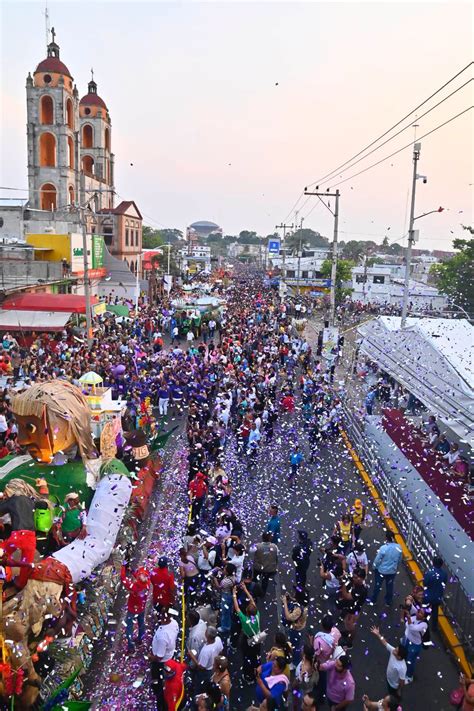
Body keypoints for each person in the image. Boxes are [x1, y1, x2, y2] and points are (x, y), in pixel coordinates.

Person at [0, 479, 38, 589]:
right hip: (31, 537)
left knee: (2, 554)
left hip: (17, 536)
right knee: (26, 563)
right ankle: (21, 584)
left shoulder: (13, 500)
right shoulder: (30, 500)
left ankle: (5, 578)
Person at [151, 607, 180, 707]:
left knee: (159, 684)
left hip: (161, 663)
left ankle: (161, 702)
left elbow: (159, 656)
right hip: (170, 657)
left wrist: (150, 657)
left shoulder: (163, 636)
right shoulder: (174, 623)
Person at [233, 582, 262, 682]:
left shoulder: (245, 620)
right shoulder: (257, 614)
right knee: (255, 656)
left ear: (247, 612)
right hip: (257, 638)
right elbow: (252, 601)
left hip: (248, 639)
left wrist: (234, 594)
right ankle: (256, 671)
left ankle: (248, 676)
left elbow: (237, 608)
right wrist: (246, 590)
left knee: (247, 657)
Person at [370, 626, 407, 698]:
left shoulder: (402, 668)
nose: (393, 650)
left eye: (396, 651)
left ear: (399, 657)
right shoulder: (393, 651)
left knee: (392, 696)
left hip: (393, 685)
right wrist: (378, 634)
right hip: (388, 679)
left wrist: (399, 690)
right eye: (395, 648)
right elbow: (385, 643)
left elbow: (402, 681)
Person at [121, 564, 150, 652]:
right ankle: (140, 639)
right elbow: (139, 576)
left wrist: (123, 567)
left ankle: (131, 647)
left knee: (129, 627)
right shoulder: (147, 583)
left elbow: (123, 578)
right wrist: (132, 571)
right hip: (141, 608)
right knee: (141, 624)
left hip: (132, 610)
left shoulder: (134, 587)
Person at [369, 530, 402, 606]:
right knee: (389, 586)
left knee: (377, 585)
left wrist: (374, 567)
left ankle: (374, 600)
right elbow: (399, 559)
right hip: (392, 571)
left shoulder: (383, 548)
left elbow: (377, 560)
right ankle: (388, 601)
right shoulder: (399, 547)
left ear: (386, 538)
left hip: (381, 571)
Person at [400, 604, 428, 683]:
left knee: (410, 660)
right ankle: (402, 669)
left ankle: (409, 676)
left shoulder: (424, 625)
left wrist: (408, 618)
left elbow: (412, 628)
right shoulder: (414, 616)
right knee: (403, 654)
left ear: (424, 617)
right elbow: (407, 624)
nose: (418, 613)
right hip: (406, 639)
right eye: (419, 611)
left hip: (414, 644)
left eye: (421, 613)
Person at [282, 587, 308, 667]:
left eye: (295, 594)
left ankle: (295, 663)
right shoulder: (303, 603)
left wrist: (285, 603)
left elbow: (288, 617)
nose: (294, 593)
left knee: (295, 646)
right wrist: (290, 598)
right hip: (298, 626)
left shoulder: (298, 610)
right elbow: (297, 601)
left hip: (296, 630)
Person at [196, 626, 224, 692]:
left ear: (207, 636)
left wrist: (192, 656)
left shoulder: (205, 651)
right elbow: (221, 651)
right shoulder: (218, 639)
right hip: (213, 667)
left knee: (202, 683)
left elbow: (202, 667)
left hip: (206, 671)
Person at [423, 556, 447, 630]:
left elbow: (425, 583)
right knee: (435, 611)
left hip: (428, 596)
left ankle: (423, 623)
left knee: (424, 609)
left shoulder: (430, 573)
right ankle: (434, 627)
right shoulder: (444, 574)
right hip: (438, 596)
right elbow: (444, 582)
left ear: (433, 563)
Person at [252, 532, 278, 596]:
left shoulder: (257, 546)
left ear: (262, 538)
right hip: (269, 568)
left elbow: (250, 551)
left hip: (258, 567)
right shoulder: (274, 546)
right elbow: (276, 557)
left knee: (255, 579)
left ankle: (254, 591)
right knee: (265, 581)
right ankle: (263, 593)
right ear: (270, 538)